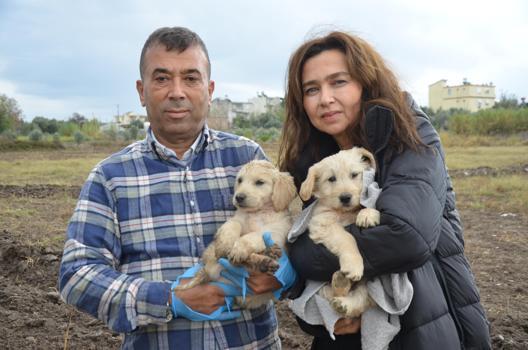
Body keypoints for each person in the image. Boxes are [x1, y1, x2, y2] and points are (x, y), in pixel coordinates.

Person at [58, 27, 291, 349]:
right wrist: (168, 298)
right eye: (162, 78)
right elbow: (77, 274)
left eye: (191, 78)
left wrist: (286, 270)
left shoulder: (246, 158)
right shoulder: (111, 177)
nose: (177, 91)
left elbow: (289, 229)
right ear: (142, 91)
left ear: (209, 89)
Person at [278, 31, 491, 349]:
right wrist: (318, 315)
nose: (325, 99)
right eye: (311, 89)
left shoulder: (409, 133)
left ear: (365, 82)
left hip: (424, 325)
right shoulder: (318, 159)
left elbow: (404, 236)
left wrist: (300, 256)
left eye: (338, 82)